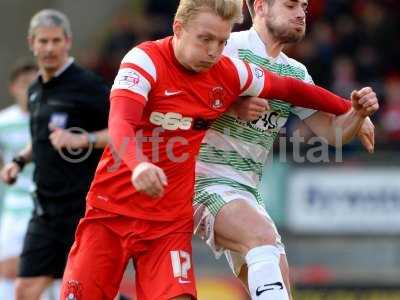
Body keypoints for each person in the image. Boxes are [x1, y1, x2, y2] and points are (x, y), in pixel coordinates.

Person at [60, 0, 365, 299]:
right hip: (117, 210)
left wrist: (352, 109)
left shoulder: (228, 68)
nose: (213, 51)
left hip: (170, 222)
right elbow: (119, 122)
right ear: (179, 29)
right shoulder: (147, 60)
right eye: (205, 39)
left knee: (276, 273)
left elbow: (290, 89)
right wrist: (138, 165)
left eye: (219, 42)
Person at [193, 0, 378, 299]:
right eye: (291, 5)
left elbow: (333, 134)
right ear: (262, 7)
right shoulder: (229, 47)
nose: (301, 13)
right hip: (202, 180)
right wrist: (233, 102)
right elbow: (187, 94)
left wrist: (356, 113)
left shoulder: (296, 72)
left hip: (248, 191)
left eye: (303, 6)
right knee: (261, 237)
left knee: (279, 286)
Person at [0, 9, 109, 300]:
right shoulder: (35, 89)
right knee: (25, 289)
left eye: (56, 41)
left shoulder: (89, 86)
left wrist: (82, 138)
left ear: (68, 42)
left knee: (83, 291)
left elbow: (123, 132)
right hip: (45, 210)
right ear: (32, 43)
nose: (49, 48)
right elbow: (40, 140)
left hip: (82, 210)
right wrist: (19, 161)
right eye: (43, 41)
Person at [0, 61, 37, 299]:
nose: (31, 90)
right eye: (25, 85)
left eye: (36, 84)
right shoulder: (3, 122)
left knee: (50, 273)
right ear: (14, 88)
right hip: (14, 208)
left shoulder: (55, 121)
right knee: (7, 272)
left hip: (47, 206)